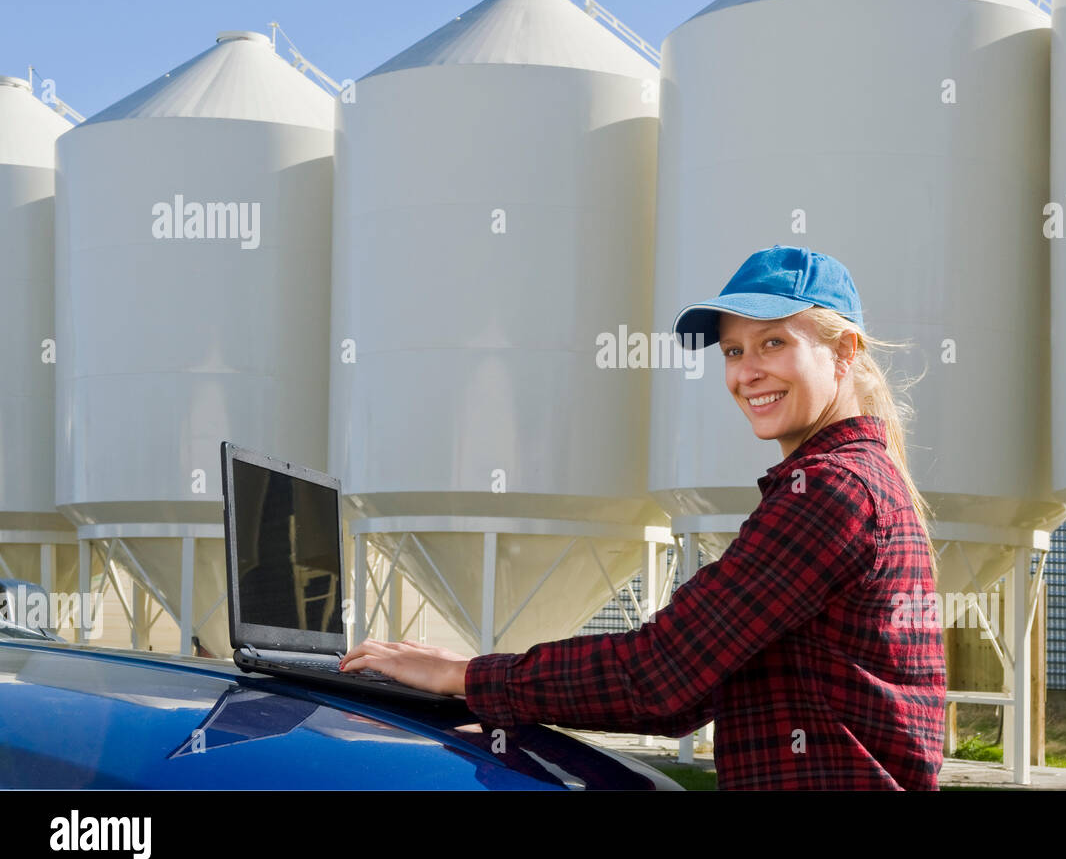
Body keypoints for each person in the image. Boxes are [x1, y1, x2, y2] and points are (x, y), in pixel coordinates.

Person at [341, 245, 947, 790]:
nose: (746, 372)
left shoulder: (831, 491)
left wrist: (466, 676)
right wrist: (500, 712)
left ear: (843, 352)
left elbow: (660, 672)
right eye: (733, 351)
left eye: (773, 342)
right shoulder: (857, 481)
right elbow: (683, 696)